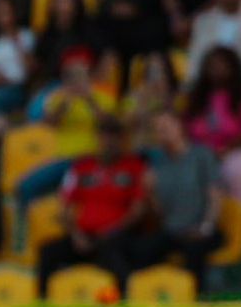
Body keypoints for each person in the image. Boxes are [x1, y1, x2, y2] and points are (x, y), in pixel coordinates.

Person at [36, 116, 150, 292]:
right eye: (104, 136)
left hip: (116, 235)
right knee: (48, 252)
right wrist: (76, 235)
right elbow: (64, 208)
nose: (109, 142)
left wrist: (113, 231)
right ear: (97, 138)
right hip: (83, 236)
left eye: (114, 137)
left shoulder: (134, 167)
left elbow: (138, 209)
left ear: (122, 140)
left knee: (115, 254)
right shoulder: (81, 167)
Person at [124, 109, 224, 284]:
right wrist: (150, 192)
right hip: (172, 231)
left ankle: (195, 303)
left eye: (166, 126)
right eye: (157, 129)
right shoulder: (158, 165)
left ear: (179, 127)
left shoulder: (201, 155)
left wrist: (206, 226)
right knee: (141, 251)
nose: (162, 132)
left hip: (200, 229)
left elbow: (215, 196)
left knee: (195, 250)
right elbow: (161, 213)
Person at [183, 46, 241, 204]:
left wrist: (227, 150)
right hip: (207, 154)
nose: (215, 69)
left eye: (220, 64)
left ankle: (238, 223)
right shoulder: (197, 98)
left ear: (233, 66)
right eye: (211, 65)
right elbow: (187, 132)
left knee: (234, 169)